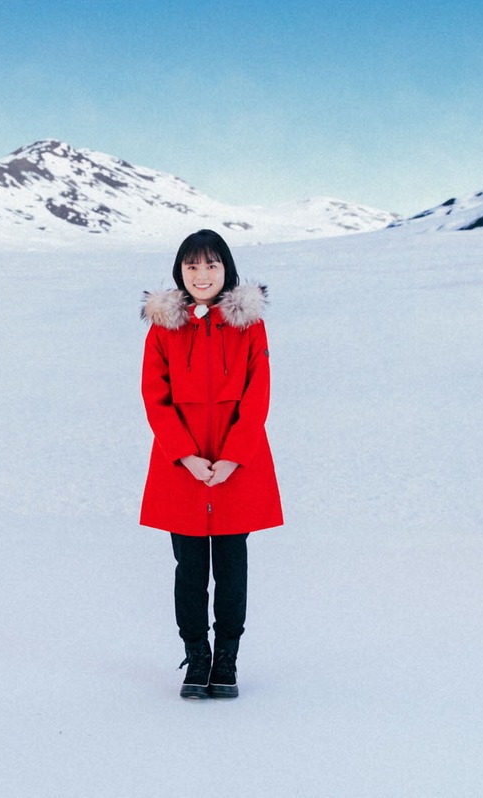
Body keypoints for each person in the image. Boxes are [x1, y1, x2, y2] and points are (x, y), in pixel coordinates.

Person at [139, 228, 282, 700]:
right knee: (190, 569)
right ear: (180, 271)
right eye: (192, 266)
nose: (202, 275)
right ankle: (196, 657)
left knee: (232, 566)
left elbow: (257, 395)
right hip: (181, 469)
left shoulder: (248, 326)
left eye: (212, 265)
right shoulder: (163, 328)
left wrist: (233, 458)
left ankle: (227, 660)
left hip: (235, 468)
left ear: (227, 269)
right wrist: (184, 454)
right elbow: (155, 398)